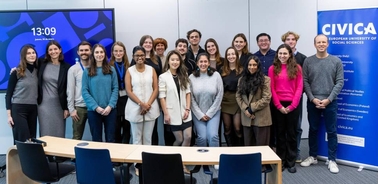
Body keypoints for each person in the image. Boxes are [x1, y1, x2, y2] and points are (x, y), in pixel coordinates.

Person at [300, 34, 344, 174]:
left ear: (327, 44)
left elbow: (339, 82)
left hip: (330, 102)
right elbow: (305, 81)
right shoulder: (308, 61)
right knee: (313, 129)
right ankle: (313, 156)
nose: (321, 44)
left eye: (323, 42)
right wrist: (312, 98)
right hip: (313, 101)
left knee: (331, 131)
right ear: (314, 44)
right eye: (318, 42)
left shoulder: (336, 61)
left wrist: (329, 99)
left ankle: (332, 160)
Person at [268, 44, 303, 173]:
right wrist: (279, 106)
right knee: (280, 134)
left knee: (292, 134)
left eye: (285, 53)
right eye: (280, 53)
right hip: (278, 105)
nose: (282, 56)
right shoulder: (272, 69)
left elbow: (299, 87)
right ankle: (281, 160)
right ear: (277, 54)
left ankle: (291, 161)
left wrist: (292, 106)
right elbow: (272, 88)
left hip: (293, 105)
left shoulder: (297, 68)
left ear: (290, 54)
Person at [159, 50, 192, 173]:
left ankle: (182, 164)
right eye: (172, 59)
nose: (175, 62)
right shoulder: (163, 77)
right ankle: (172, 160)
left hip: (185, 112)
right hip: (172, 114)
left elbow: (188, 93)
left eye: (177, 60)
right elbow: (162, 97)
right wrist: (166, 114)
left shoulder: (184, 74)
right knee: (179, 139)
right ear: (168, 61)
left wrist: (188, 109)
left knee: (188, 137)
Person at [82, 44, 118, 142]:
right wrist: (96, 107)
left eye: (101, 52)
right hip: (94, 111)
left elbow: (115, 89)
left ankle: (110, 157)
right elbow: (85, 91)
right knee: (96, 139)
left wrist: (110, 106)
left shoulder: (112, 70)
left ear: (105, 54)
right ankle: (98, 158)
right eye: (97, 52)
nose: (99, 54)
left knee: (111, 139)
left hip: (110, 111)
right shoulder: (87, 71)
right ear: (93, 54)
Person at [125, 46, 160, 146]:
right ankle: (137, 162)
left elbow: (156, 89)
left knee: (148, 139)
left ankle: (147, 161)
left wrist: (147, 105)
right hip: (135, 109)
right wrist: (141, 104)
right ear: (133, 56)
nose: (139, 57)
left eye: (142, 55)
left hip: (151, 108)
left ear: (145, 56)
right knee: (136, 139)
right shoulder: (130, 71)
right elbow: (129, 91)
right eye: (137, 55)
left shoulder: (151, 69)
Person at [281, 31, 307, 162]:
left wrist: (296, 97)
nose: (290, 41)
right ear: (284, 42)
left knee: (295, 126)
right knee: (281, 127)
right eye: (288, 39)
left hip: (296, 98)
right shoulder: (279, 57)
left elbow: (304, 81)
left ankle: (295, 152)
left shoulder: (303, 59)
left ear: (296, 41)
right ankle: (283, 153)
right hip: (280, 100)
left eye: (293, 39)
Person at [236, 55, 271, 146]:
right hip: (247, 118)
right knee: (248, 147)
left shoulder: (265, 80)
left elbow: (266, 98)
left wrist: (251, 109)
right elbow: (238, 97)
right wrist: (246, 109)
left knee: (262, 148)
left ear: (258, 66)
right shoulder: (241, 80)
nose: (252, 67)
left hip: (261, 118)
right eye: (250, 65)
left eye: (254, 65)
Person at [5, 45, 38, 143]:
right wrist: (9, 116)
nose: (32, 55)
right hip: (19, 109)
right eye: (28, 53)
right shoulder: (16, 72)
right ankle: (18, 159)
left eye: (33, 53)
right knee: (22, 139)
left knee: (32, 139)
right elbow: (8, 95)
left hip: (33, 108)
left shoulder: (38, 70)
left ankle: (30, 159)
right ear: (24, 56)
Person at [190, 53, 223, 147]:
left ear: (209, 63)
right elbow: (191, 98)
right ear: (197, 63)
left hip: (214, 112)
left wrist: (209, 114)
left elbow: (219, 95)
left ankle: (215, 160)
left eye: (205, 61)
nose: (203, 64)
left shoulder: (216, 76)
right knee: (202, 138)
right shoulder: (191, 77)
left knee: (213, 136)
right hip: (198, 113)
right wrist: (200, 114)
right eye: (201, 61)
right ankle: (202, 161)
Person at [38, 40, 70, 137]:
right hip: (43, 105)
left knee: (59, 134)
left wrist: (66, 108)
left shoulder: (66, 67)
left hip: (59, 105)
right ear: (47, 52)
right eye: (50, 50)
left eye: (55, 49)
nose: (53, 52)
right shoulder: (41, 63)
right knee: (45, 133)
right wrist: (16, 69)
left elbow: (68, 89)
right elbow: (27, 66)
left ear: (60, 50)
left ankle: (57, 152)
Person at [67, 41, 91, 140]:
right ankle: (74, 156)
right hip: (79, 108)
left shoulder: (96, 68)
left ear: (91, 51)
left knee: (97, 136)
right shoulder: (73, 69)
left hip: (94, 108)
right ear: (78, 52)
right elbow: (70, 90)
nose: (84, 52)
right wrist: (71, 109)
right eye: (81, 50)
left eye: (86, 50)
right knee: (77, 137)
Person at [220, 47, 243, 146]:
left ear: (237, 56)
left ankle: (239, 150)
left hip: (237, 100)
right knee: (227, 127)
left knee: (237, 127)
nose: (231, 56)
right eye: (228, 54)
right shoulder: (222, 70)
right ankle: (230, 149)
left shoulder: (242, 70)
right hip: (225, 100)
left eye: (233, 54)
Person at [109, 41, 131, 144]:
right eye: (116, 51)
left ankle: (126, 148)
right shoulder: (108, 66)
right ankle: (118, 153)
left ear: (124, 52)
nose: (118, 53)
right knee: (116, 127)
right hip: (115, 99)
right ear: (112, 52)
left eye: (120, 51)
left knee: (127, 127)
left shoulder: (129, 65)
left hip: (127, 99)